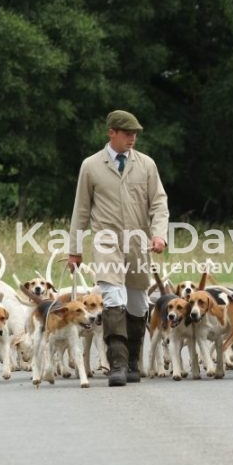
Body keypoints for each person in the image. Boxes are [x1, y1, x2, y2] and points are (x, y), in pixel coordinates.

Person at [68, 110, 169, 386]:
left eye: (135, 134)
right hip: (106, 242)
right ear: (111, 132)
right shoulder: (91, 165)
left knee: (137, 302)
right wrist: (74, 250)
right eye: (127, 133)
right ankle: (117, 364)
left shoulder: (146, 165)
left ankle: (133, 361)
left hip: (138, 243)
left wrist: (159, 235)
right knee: (112, 298)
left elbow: (159, 203)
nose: (132, 138)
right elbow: (81, 209)